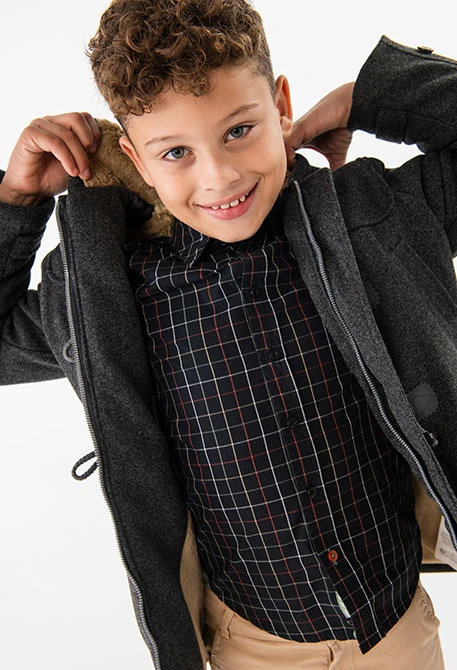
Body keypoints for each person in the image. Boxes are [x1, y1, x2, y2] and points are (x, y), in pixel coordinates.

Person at [0, 0, 455, 667]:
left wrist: (372, 95)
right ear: (134, 158)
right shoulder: (112, 296)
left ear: (279, 104)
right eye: (175, 151)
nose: (218, 177)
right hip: (250, 643)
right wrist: (17, 202)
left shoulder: (368, 220)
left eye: (240, 130)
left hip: (393, 626)